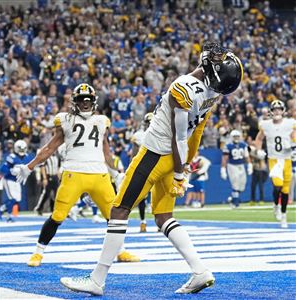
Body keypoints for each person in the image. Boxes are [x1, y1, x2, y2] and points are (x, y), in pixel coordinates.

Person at [59, 42, 244, 295]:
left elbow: (179, 136)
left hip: (156, 154)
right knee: (164, 217)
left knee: (119, 209)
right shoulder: (212, 93)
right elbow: (196, 132)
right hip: (174, 158)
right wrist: (186, 163)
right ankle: (200, 271)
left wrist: (180, 172)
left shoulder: (182, 88)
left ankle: (97, 279)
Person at [13, 83, 139, 267]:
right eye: (82, 100)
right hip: (74, 174)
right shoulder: (66, 120)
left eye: (88, 100)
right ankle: (38, 253)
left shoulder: (101, 121)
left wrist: (116, 174)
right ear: (75, 102)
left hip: (99, 175)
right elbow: (49, 148)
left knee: (115, 218)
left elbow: (106, 152)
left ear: (94, 102)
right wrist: (29, 167)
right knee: (57, 216)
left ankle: (120, 252)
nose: (85, 103)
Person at [254, 100, 296, 228]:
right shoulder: (266, 125)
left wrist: (294, 146)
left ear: (283, 111)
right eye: (275, 109)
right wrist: (258, 150)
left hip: (287, 159)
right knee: (277, 185)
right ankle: (276, 205)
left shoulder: (290, 124)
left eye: (279, 109)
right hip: (274, 159)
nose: (277, 111)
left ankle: (283, 216)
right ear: (271, 112)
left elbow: (294, 136)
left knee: (285, 190)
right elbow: (259, 139)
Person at [130, 112, 154, 232]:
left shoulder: (161, 133)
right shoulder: (139, 135)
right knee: (142, 196)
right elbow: (134, 154)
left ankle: (160, 222)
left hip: (157, 167)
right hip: (143, 167)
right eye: (148, 122)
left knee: (158, 194)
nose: (150, 125)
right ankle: (143, 222)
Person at [0, 140, 31, 222]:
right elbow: (2, 168)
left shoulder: (27, 157)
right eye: (20, 149)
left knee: (17, 200)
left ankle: (2, 208)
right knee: (12, 199)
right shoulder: (12, 157)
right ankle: (8, 217)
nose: (22, 151)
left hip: (17, 181)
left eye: (23, 149)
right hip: (9, 180)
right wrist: (11, 170)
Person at [221, 130, 253, 207]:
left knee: (242, 185)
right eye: (235, 136)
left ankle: (232, 198)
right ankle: (235, 202)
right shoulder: (228, 146)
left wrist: (249, 165)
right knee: (235, 184)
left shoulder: (243, 145)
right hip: (232, 165)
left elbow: (246, 156)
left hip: (241, 165)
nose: (236, 138)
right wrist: (223, 169)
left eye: (237, 136)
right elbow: (225, 158)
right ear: (232, 137)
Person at [34, 151, 60, 215]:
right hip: (49, 176)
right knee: (46, 194)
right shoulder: (46, 157)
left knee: (57, 194)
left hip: (55, 177)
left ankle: (54, 209)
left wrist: (59, 178)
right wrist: (45, 178)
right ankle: (39, 208)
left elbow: (58, 168)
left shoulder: (57, 157)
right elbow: (42, 167)